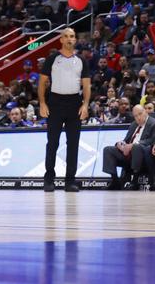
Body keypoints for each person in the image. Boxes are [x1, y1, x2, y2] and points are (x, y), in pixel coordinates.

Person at [38, 27, 92, 193]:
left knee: (73, 144)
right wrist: (42, 103)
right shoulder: (52, 59)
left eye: (72, 36)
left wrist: (85, 104)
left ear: (75, 39)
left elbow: (86, 85)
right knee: (52, 143)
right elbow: (42, 82)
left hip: (74, 103)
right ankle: (49, 179)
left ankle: (70, 181)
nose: (70, 39)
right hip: (55, 102)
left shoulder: (82, 60)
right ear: (61, 39)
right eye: (66, 36)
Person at [102, 104, 155, 189]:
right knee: (108, 150)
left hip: (143, 154)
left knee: (136, 147)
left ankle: (134, 181)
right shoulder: (133, 125)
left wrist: (133, 145)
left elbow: (152, 141)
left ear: (145, 112)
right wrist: (120, 144)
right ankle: (115, 180)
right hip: (128, 154)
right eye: (135, 116)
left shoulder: (154, 123)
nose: (138, 117)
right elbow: (126, 140)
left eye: (140, 114)